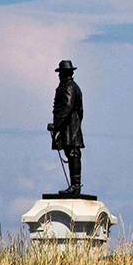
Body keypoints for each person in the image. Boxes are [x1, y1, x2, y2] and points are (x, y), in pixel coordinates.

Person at [51, 60, 84, 195]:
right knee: (71, 155)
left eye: (61, 73)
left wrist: (57, 124)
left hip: (70, 128)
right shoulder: (71, 87)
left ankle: (75, 186)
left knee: (73, 155)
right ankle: (74, 185)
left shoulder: (69, 87)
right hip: (71, 126)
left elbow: (67, 107)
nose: (59, 76)